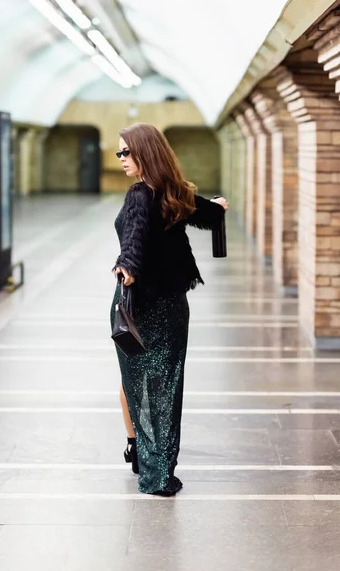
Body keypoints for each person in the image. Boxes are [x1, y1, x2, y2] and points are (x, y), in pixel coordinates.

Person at [110, 122, 228, 496]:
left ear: (146, 152)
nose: (122, 159)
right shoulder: (172, 193)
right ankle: (146, 454)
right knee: (162, 385)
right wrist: (217, 207)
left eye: (126, 152)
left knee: (141, 382)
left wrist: (127, 266)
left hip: (138, 306)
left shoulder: (142, 194)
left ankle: (154, 469)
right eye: (119, 153)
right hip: (170, 306)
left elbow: (135, 235)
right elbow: (204, 215)